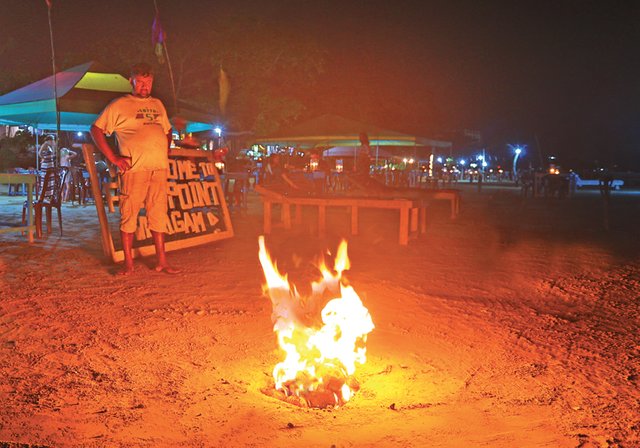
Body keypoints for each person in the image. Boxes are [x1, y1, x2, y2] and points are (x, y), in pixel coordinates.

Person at [90, 62, 178, 275]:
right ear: (132, 82)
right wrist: (113, 158)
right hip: (134, 170)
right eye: (140, 82)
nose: (144, 86)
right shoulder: (120, 104)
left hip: (158, 169)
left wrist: (164, 149)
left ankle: (162, 261)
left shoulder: (158, 104)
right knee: (129, 215)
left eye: (148, 82)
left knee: (158, 215)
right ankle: (128, 263)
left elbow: (167, 130)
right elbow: (96, 129)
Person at [38, 134, 57, 200]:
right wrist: (43, 158)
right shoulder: (45, 145)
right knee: (46, 180)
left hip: (50, 164)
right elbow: (39, 153)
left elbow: (54, 154)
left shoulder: (50, 146)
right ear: (49, 140)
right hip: (46, 165)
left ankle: (48, 194)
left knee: (50, 180)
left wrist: (54, 146)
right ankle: (45, 194)